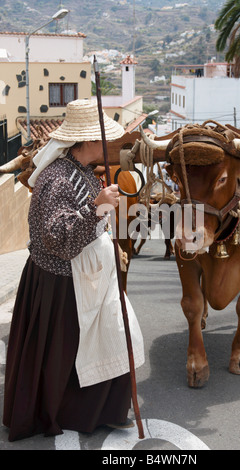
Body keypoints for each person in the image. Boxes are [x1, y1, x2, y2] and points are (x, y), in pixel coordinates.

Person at [3, 99, 144, 442]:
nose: (107, 146)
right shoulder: (56, 179)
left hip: (87, 276)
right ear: (85, 142)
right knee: (64, 353)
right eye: (102, 139)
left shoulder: (81, 173)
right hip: (60, 284)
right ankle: (60, 411)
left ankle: (102, 410)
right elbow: (58, 240)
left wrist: (102, 206)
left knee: (108, 339)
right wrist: (97, 208)